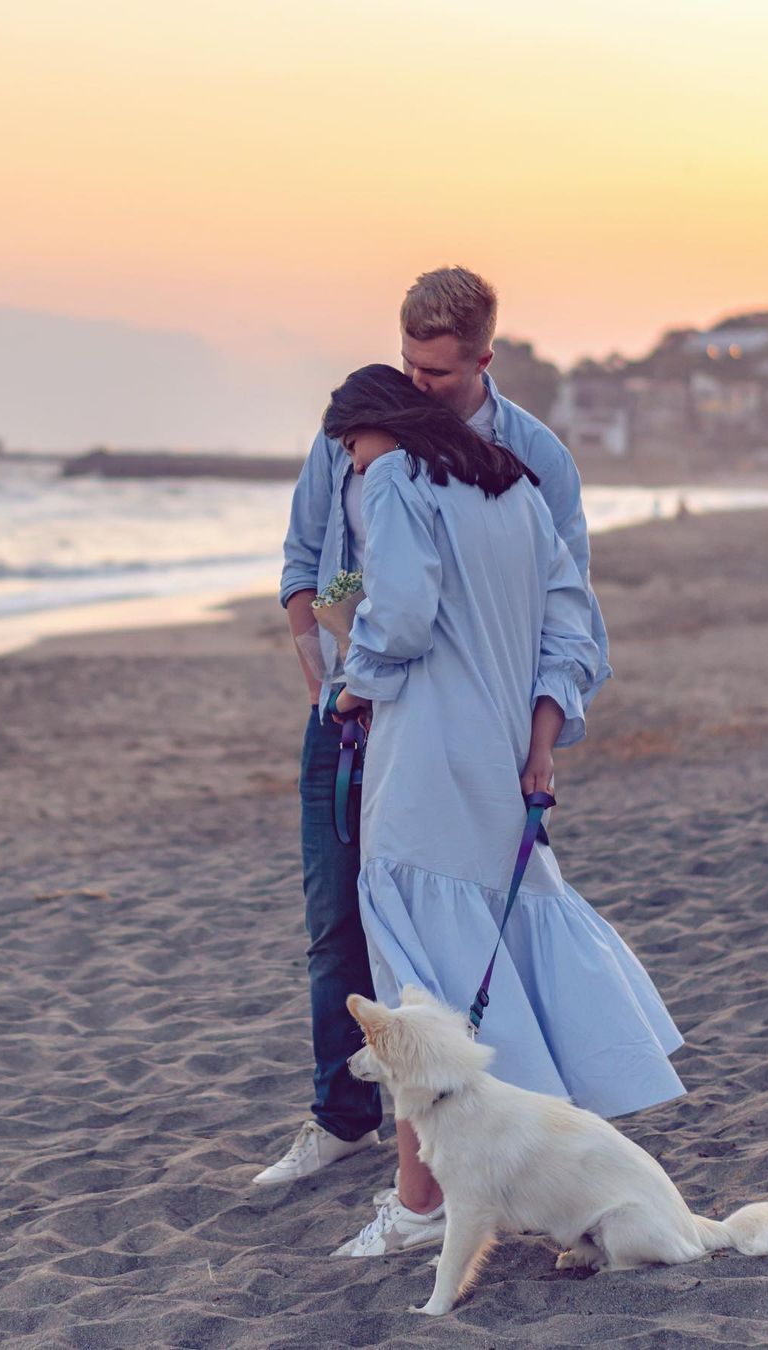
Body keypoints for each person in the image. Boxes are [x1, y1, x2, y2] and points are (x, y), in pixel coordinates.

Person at [257, 267, 611, 1188]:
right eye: (408, 368)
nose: (417, 390)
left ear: (484, 360)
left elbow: (564, 617)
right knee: (340, 926)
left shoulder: (533, 459)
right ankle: (343, 1117)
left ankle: (473, 1146)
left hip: (463, 732)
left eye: (438, 376)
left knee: (471, 929)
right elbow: (303, 561)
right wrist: (320, 671)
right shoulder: (355, 440)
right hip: (348, 715)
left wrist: (537, 742)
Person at [321, 365, 686, 1257]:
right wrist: (540, 744)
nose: (350, 468)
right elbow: (574, 638)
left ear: (377, 431)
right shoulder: (517, 489)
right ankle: (489, 1183)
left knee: (419, 983)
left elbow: (399, 620)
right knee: (489, 954)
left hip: (425, 764)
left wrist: (351, 684)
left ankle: (415, 1210)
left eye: (349, 449)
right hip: (500, 763)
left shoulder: (394, 480)